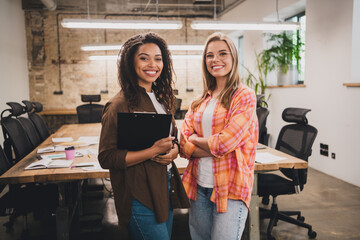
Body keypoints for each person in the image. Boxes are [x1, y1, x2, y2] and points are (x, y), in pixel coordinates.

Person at [98, 32, 189, 240]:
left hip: (163, 184)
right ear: (131, 62)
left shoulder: (161, 100)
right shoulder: (118, 105)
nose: (152, 64)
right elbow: (106, 158)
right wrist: (153, 151)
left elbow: (171, 139)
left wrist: (174, 151)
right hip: (138, 193)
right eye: (144, 57)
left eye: (158, 58)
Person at [180, 32, 258, 240]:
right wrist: (209, 146)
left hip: (230, 187)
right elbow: (182, 143)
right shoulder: (200, 100)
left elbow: (226, 142)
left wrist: (196, 140)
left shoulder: (244, 96)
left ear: (233, 57)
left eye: (223, 53)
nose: (215, 60)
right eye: (209, 55)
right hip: (199, 185)